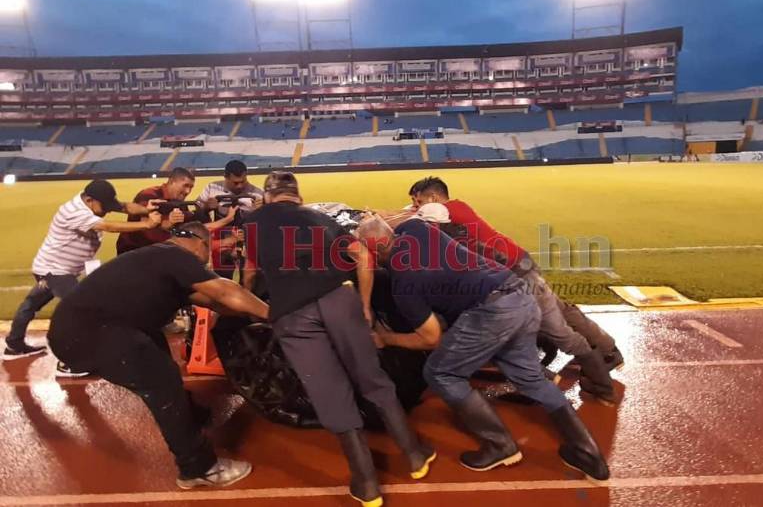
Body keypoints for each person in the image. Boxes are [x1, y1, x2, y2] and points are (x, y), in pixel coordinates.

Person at [357, 215, 609, 481]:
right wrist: (373, 220)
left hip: (491, 312)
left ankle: (500, 446)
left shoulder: (403, 283)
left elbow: (431, 338)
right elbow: (400, 220)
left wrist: (388, 339)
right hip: (521, 294)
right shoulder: (416, 228)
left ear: (374, 251)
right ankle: (588, 454)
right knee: (530, 378)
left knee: (441, 372)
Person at [242, 171, 435, 507]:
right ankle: (415, 455)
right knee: (373, 380)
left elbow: (250, 269)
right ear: (297, 196)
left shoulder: (251, 222)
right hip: (338, 298)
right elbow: (363, 256)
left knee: (330, 393)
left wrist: (249, 304)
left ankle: (366, 484)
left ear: (269, 196)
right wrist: (363, 306)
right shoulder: (319, 217)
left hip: (292, 313)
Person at [47, 222, 269, 489]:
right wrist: (276, 314)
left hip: (87, 328)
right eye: (208, 249)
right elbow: (225, 291)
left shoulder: (159, 259)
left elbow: (216, 302)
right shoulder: (176, 255)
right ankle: (198, 468)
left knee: (156, 352)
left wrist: (253, 311)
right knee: (162, 381)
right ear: (200, 243)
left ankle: (190, 416)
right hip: (91, 333)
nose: (208, 258)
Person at [408, 176, 622, 403]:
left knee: (557, 331)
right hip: (518, 263)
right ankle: (607, 350)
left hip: (516, 274)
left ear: (432, 198)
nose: (415, 207)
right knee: (561, 311)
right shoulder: (456, 208)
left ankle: (599, 386)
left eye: (417, 201)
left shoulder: (446, 211)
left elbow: (412, 221)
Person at [3, 180, 163, 377]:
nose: (106, 210)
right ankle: (68, 363)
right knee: (81, 311)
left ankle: (13, 344)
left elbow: (124, 206)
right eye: (103, 206)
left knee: (31, 303)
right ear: (89, 200)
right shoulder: (74, 212)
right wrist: (147, 224)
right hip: (56, 270)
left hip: (55, 268)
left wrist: (147, 210)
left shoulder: (94, 199)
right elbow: (108, 226)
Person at [195, 160, 263, 280]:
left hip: (248, 239)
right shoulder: (212, 188)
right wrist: (206, 207)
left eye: (243, 182)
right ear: (225, 177)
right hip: (221, 241)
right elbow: (196, 216)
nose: (240, 186)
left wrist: (262, 209)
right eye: (235, 183)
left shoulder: (257, 193)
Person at [116, 167, 198, 255]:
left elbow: (186, 228)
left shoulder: (180, 203)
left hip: (159, 252)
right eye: (185, 185)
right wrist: (167, 223)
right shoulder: (149, 195)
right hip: (134, 251)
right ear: (171, 182)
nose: (188, 191)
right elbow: (146, 230)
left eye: (191, 187)